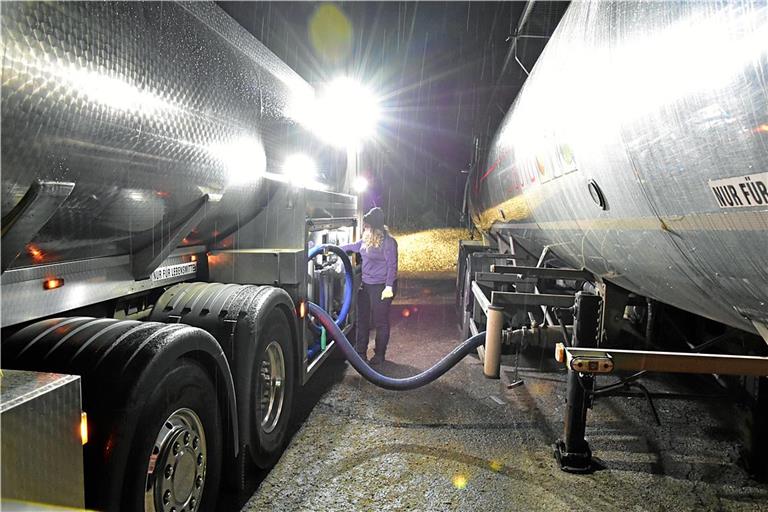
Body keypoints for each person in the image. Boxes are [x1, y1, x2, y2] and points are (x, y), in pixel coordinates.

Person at [340, 207, 398, 365]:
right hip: (366, 285)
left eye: (367, 225)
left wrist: (388, 287)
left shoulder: (388, 243)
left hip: (381, 287)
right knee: (362, 320)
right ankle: (360, 353)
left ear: (374, 227)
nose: (364, 227)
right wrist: (333, 249)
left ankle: (379, 354)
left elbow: (392, 266)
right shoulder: (366, 240)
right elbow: (352, 246)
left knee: (380, 321)